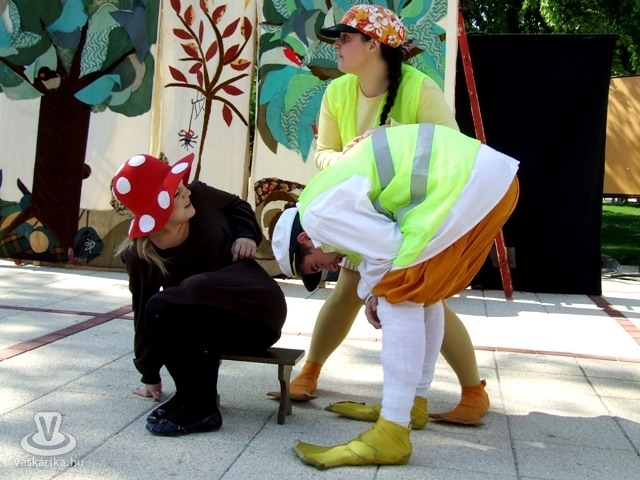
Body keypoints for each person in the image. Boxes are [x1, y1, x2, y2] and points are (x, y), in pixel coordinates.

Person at [267, 3, 490, 426]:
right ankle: (313, 372)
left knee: (425, 298)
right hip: (366, 214)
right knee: (351, 289)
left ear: (373, 45)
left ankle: (471, 393)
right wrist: (351, 159)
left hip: (416, 213)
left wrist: (394, 140)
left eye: (345, 38)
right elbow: (324, 154)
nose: (336, 46)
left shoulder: (420, 89)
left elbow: (454, 149)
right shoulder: (337, 92)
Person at [271, 123, 519, 468]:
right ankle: (411, 405)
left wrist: (376, 291)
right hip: (488, 181)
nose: (328, 267)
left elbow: (388, 249)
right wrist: (372, 288)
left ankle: (392, 431)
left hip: (468, 185)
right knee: (422, 293)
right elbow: (381, 247)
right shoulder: (323, 197)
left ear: (304, 240)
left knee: (398, 294)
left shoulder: (316, 216)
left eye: (315, 265)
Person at [112, 152, 287, 436]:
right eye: (176, 193)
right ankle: (191, 398)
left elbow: (237, 204)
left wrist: (245, 234)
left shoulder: (202, 197)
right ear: (157, 210)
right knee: (161, 308)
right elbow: (143, 311)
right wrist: (149, 373)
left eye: (182, 187)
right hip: (208, 321)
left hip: (256, 312)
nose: (187, 193)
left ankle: (201, 406)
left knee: (193, 291)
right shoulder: (141, 255)